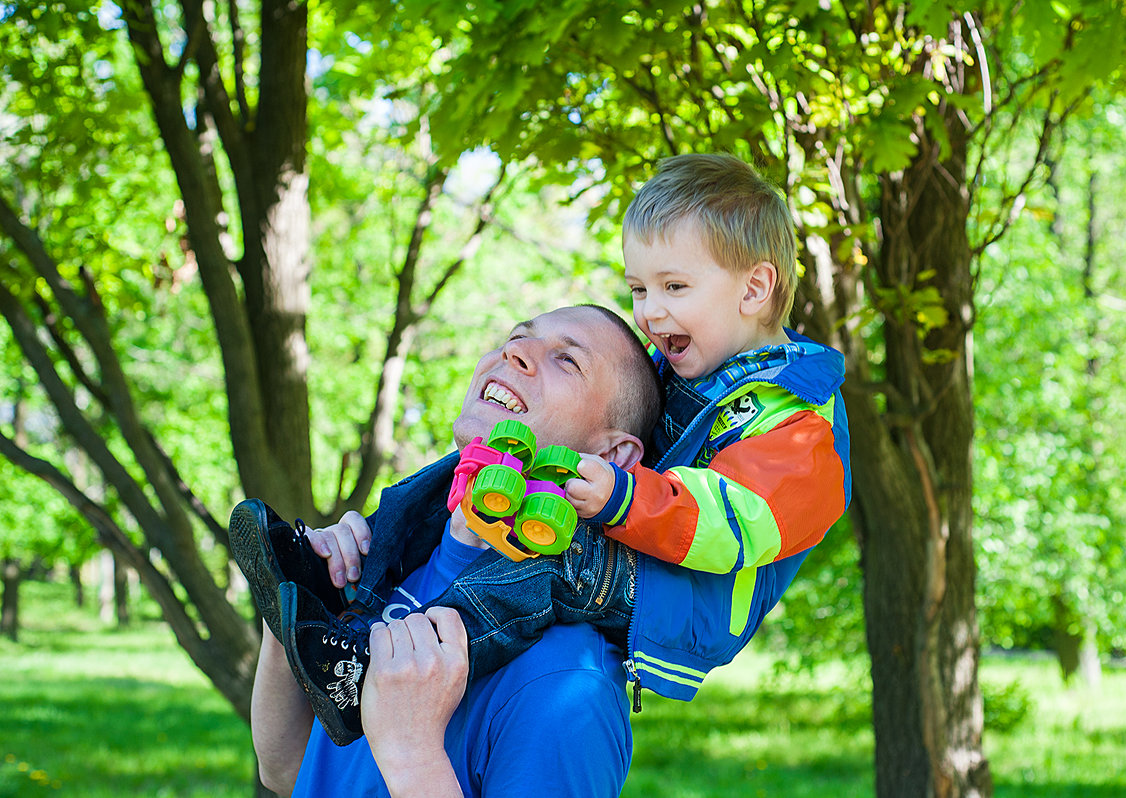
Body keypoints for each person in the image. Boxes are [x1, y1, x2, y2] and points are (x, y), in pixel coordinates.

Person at [235, 152, 851, 750]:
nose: (649, 311)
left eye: (674, 286)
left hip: (683, 594)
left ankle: (390, 671)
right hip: (636, 536)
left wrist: (623, 497)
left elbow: (735, 521)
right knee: (476, 466)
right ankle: (341, 593)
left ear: (755, 288)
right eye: (639, 288)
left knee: (549, 558)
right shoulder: (697, 364)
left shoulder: (797, 416)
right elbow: (285, 767)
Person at [248, 304, 658, 796]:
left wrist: (413, 755)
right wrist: (295, 601)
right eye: (516, 336)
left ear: (613, 458)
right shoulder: (391, 562)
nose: (516, 351)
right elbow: (288, 771)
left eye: (567, 360)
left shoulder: (567, 687)